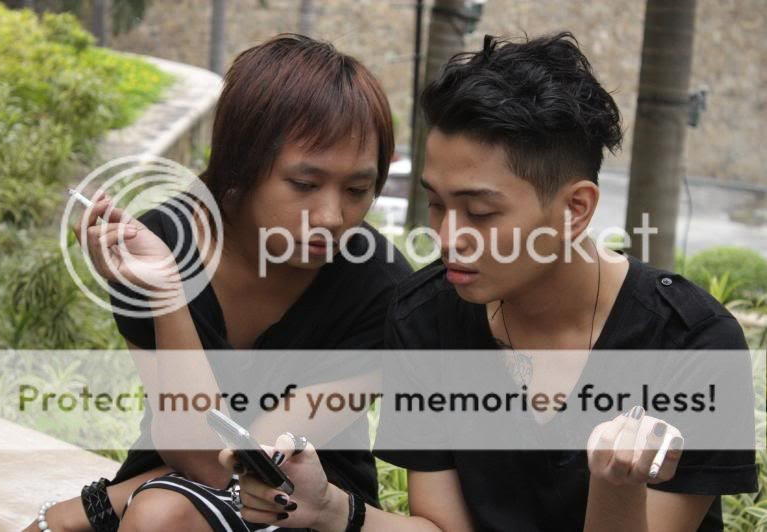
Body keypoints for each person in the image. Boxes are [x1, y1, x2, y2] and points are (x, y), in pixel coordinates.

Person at [218, 32, 758, 531]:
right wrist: (329, 507)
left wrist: (615, 486)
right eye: (436, 204)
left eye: (479, 212)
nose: (447, 237)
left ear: (575, 209)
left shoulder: (691, 342)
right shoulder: (427, 316)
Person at [26, 34, 411, 532]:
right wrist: (166, 291)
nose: (332, 216)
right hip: (161, 485)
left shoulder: (382, 291)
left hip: (299, 507)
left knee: (161, 515)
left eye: (358, 189)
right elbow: (190, 448)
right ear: (242, 166)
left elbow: (227, 465)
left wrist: (87, 509)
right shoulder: (158, 244)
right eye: (304, 184)